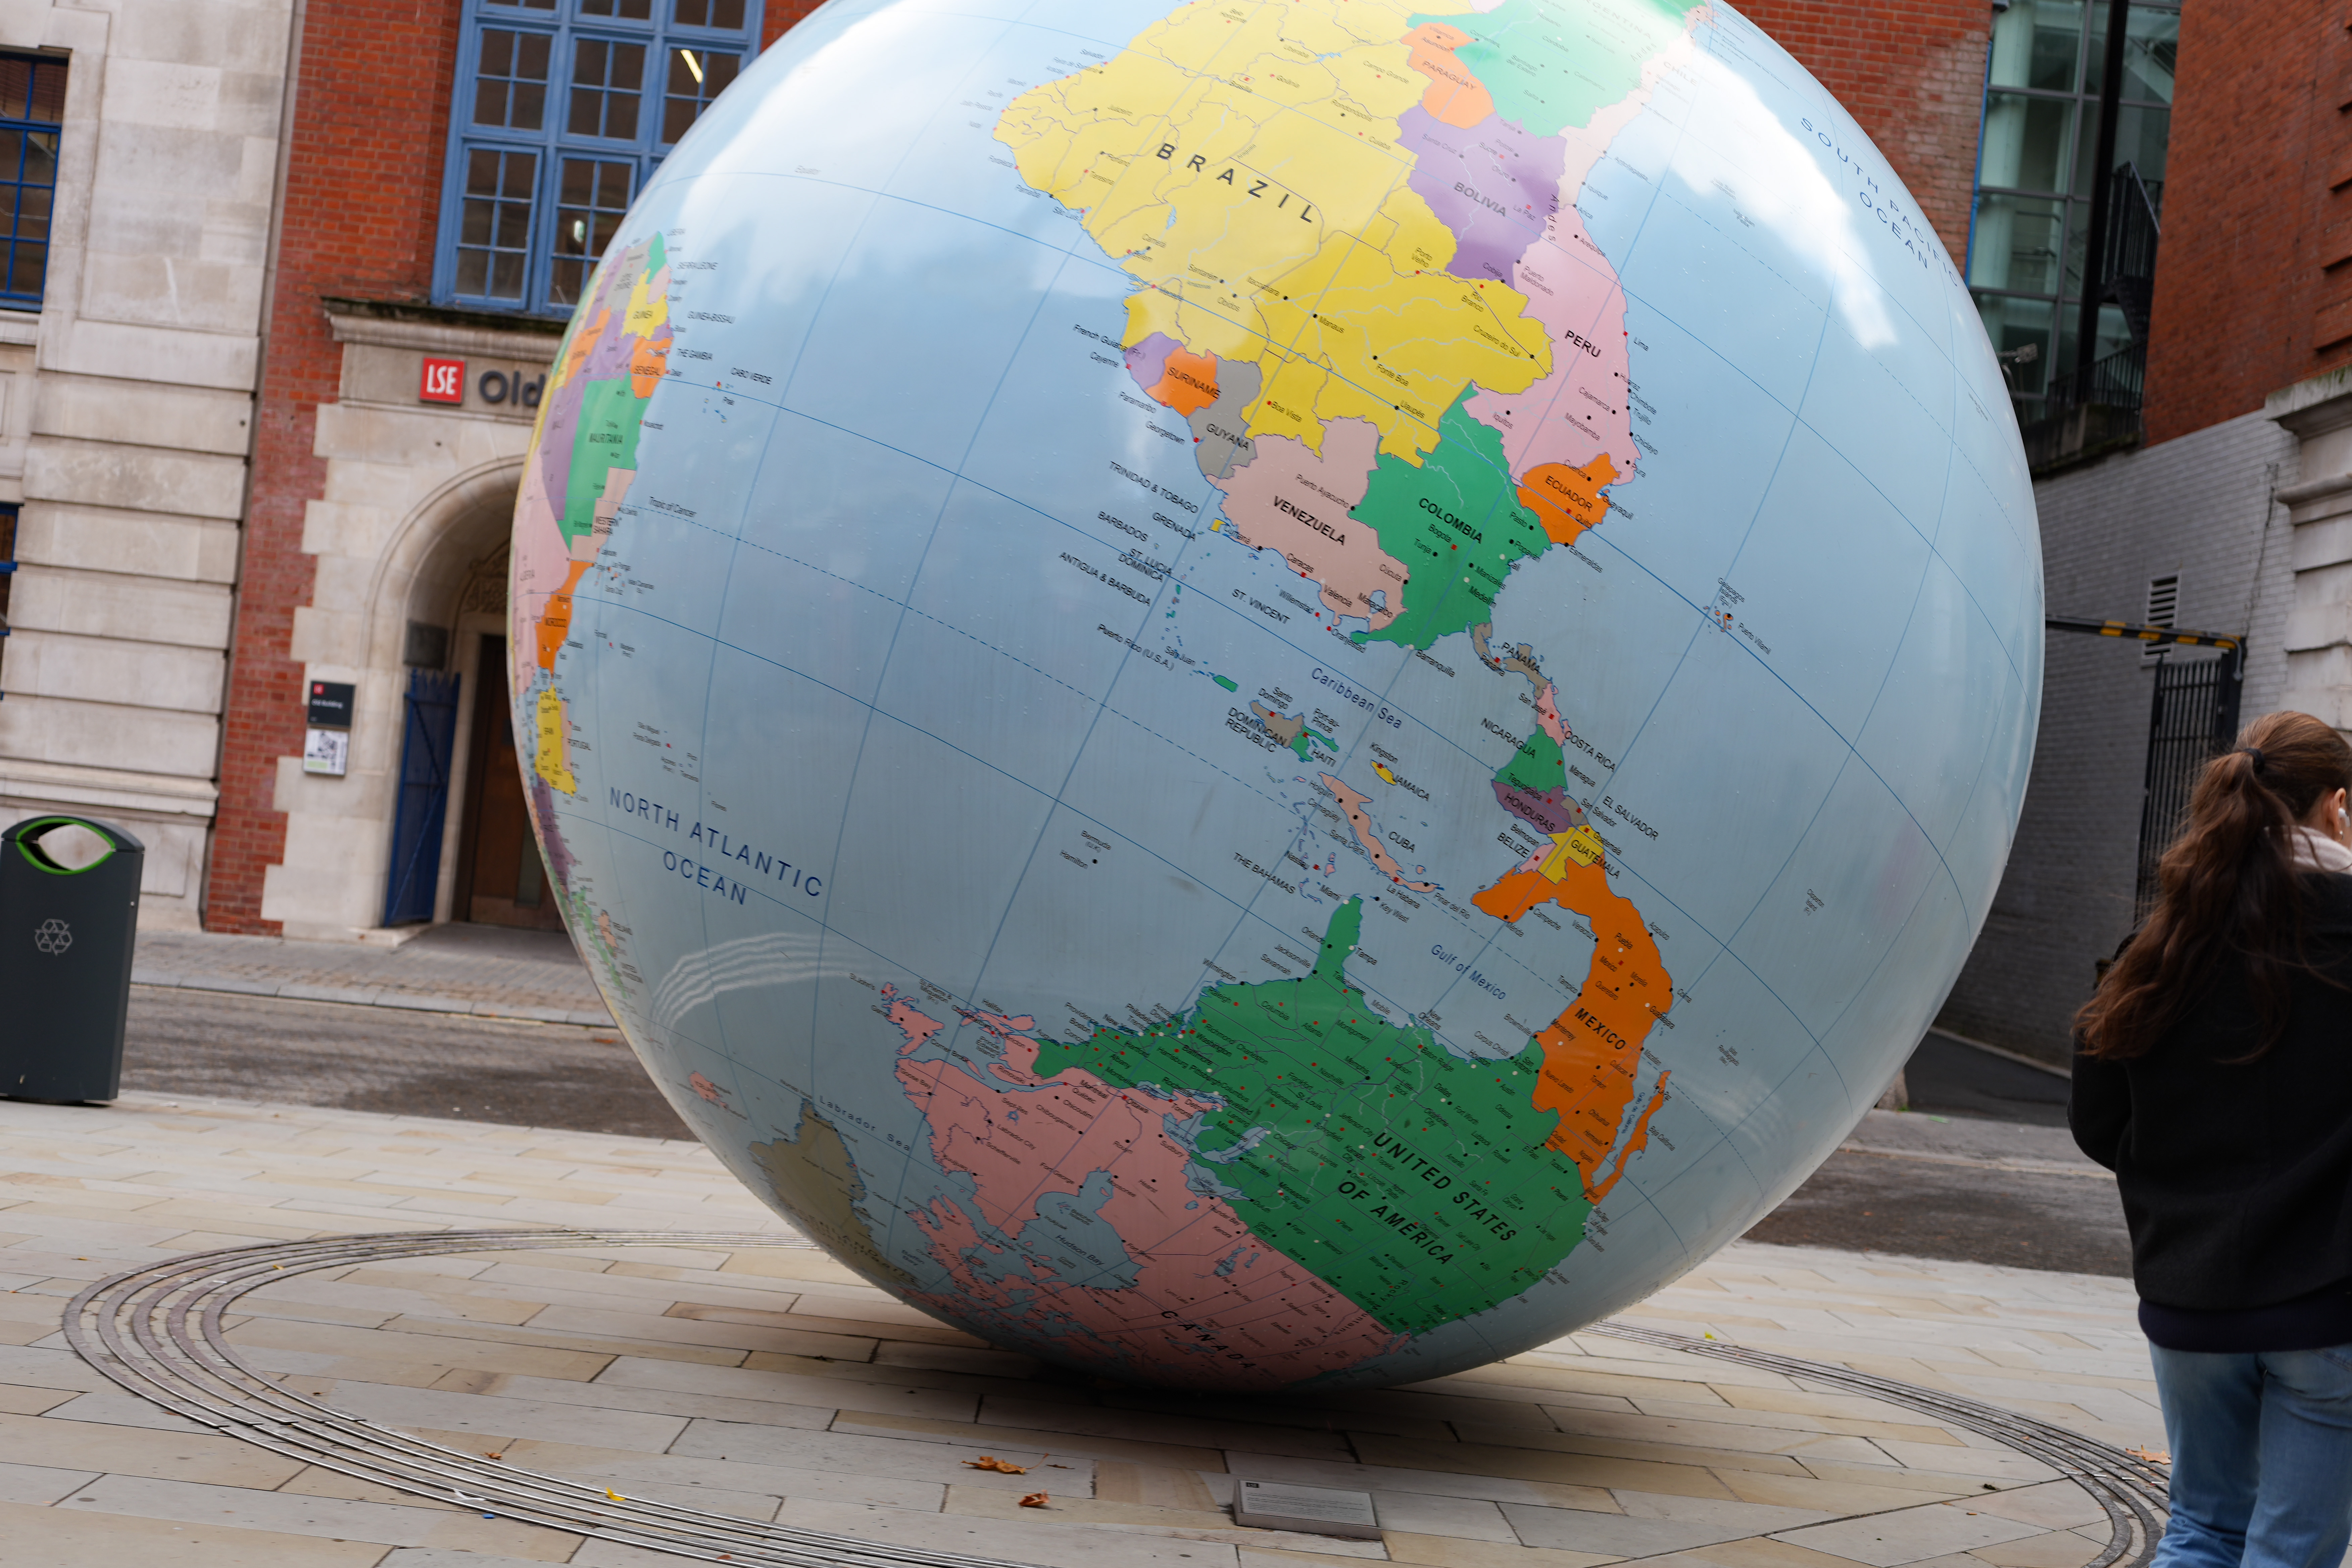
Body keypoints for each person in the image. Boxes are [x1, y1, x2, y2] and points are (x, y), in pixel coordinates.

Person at [2073, 709, 2352, 1566]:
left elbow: (2099, 1121)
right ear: (2338, 807)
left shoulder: (2162, 944)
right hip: (2329, 1299)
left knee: (2201, 1530)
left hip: (2189, 1299)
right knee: (2291, 1546)